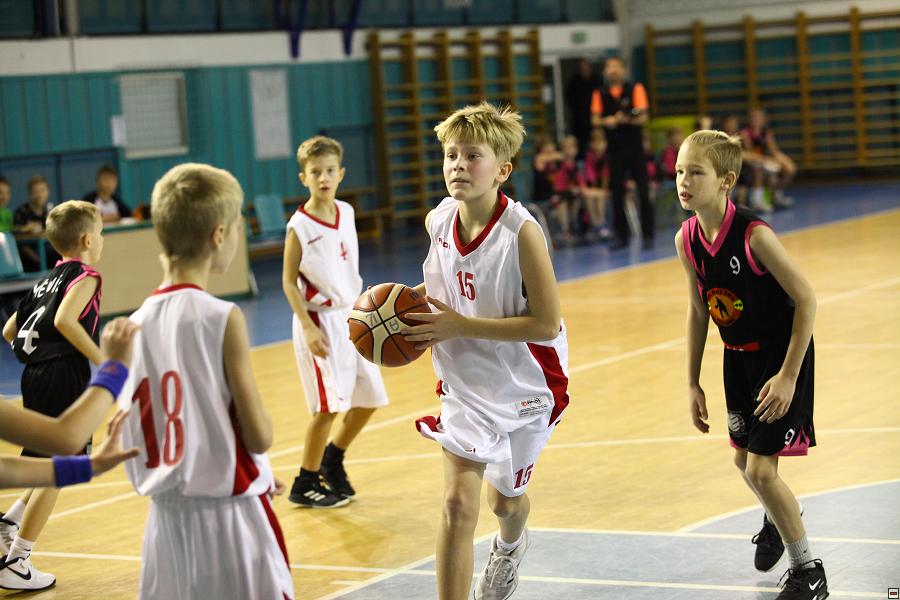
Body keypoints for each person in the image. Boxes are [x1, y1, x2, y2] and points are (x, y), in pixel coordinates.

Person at [403, 102, 569, 600]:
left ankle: (509, 546)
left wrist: (459, 324)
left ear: (502, 170)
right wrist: (393, 311)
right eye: (451, 155)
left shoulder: (522, 234)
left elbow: (546, 323)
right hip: (465, 386)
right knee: (457, 506)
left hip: (526, 385)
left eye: (472, 156)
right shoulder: (438, 220)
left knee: (505, 504)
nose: (458, 165)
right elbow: (447, 286)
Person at [116, 163, 293, 600]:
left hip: (164, 524)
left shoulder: (130, 327)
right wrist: (255, 464)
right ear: (219, 235)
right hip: (229, 521)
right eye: (238, 227)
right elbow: (258, 436)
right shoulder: (221, 316)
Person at [674, 130, 827, 600]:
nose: (683, 181)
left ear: (726, 181)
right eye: (679, 171)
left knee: (761, 472)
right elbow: (698, 310)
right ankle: (778, 520)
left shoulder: (754, 236)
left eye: (695, 172)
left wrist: (788, 376)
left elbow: (807, 299)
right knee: (744, 462)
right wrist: (692, 382)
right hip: (736, 359)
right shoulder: (687, 239)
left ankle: (809, 572)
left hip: (780, 359)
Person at [0, 201, 105, 591]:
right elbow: (64, 320)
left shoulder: (45, 280)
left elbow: (9, 331)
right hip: (63, 374)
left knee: (49, 462)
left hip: (35, 376)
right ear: (87, 239)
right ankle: (17, 561)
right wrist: (105, 362)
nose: (102, 239)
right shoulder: (86, 276)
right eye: (101, 233)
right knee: (60, 467)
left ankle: (9, 524)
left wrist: (39, 356)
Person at [283, 136, 389, 508]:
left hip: (351, 317)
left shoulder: (346, 211)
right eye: (315, 172)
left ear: (341, 173)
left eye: (329, 171)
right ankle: (305, 481)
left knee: (370, 398)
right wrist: (307, 326)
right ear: (304, 178)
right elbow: (288, 281)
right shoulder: (299, 225)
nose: (323, 178)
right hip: (318, 320)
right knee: (327, 407)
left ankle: (333, 458)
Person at [591, 56, 654, 249]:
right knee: (616, 194)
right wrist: (608, 121)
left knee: (643, 192)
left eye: (616, 66)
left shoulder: (636, 89)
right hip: (614, 151)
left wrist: (625, 119)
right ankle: (621, 236)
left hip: (635, 149)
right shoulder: (600, 93)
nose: (612, 70)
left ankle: (648, 235)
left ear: (624, 70)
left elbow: (643, 117)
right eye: (608, 67)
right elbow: (595, 120)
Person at [742, 108, 796, 211]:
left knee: (789, 168)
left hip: (765, 161)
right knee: (758, 166)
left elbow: (774, 151)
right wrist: (766, 160)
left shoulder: (767, 133)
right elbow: (750, 153)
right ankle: (757, 200)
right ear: (749, 119)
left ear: (764, 119)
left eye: (759, 117)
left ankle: (775, 193)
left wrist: (784, 161)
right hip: (750, 163)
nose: (756, 119)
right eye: (754, 117)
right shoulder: (746, 133)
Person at [13, 175, 55, 271]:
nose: (39, 195)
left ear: (48, 192)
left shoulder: (50, 212)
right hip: (28, 258)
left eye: (42, 191)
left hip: (49, 254)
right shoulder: (21, 212)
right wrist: (38, 259)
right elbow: (18, 240)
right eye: (35, 191)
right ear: (30, 193)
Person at [565, 58, 598, 160]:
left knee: (595, 139)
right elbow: (569, 98)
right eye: (582, 66)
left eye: (586, 65)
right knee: (580, 141)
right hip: (579, 118)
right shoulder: (574, 81)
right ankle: (580, 160)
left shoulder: (596, 79)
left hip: (593, 117)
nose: (584, 68)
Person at [582, 128, 612, 241]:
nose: (599, 145)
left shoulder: (608, 157)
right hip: (594, 189)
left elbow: (606, 177)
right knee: (591, 197)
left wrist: (603, 189)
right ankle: (597, 225)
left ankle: (602, 223)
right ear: (591, 144)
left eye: (602, 142)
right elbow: (589, 178)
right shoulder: (589, 157)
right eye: (596, 142)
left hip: (606, 189)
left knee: (600, 196)